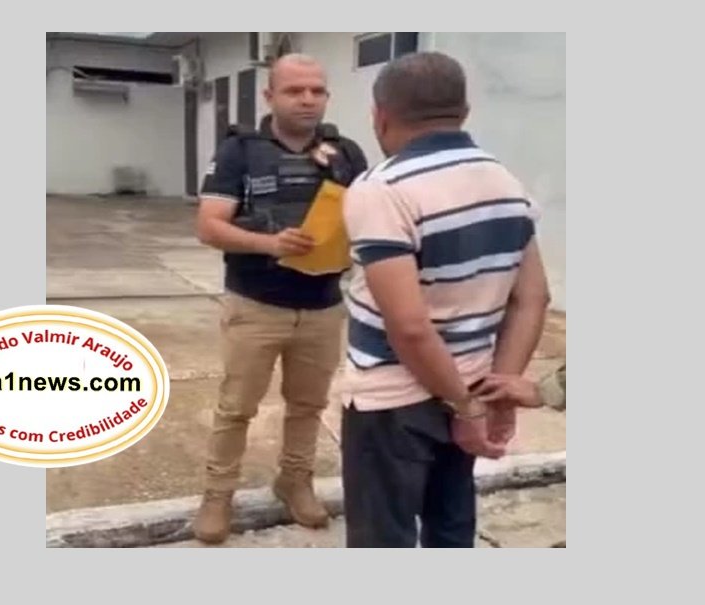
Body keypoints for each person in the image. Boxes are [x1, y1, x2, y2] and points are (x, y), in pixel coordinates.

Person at [340, 51, 551, 548]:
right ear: (464, 112)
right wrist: (496, 392)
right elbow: (534, 298)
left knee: (381, 541)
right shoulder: (506, 183)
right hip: (473, 381)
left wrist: (467, 409)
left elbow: (409, 326)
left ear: (380, 116)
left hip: (392, 402)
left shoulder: (381, 188)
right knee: (452, 529)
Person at [192, 53, 368, 544]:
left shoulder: (346, 153)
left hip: (323, 306)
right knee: (236, 408)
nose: (307, 99)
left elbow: (368, 214)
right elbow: (208, 227)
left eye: (317, 90)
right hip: (256, 305)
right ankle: (217, 494)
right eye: (294, 90)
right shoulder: (239, 153)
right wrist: (269, 243)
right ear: (270, 96)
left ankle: (294, 480)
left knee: (307, 405)